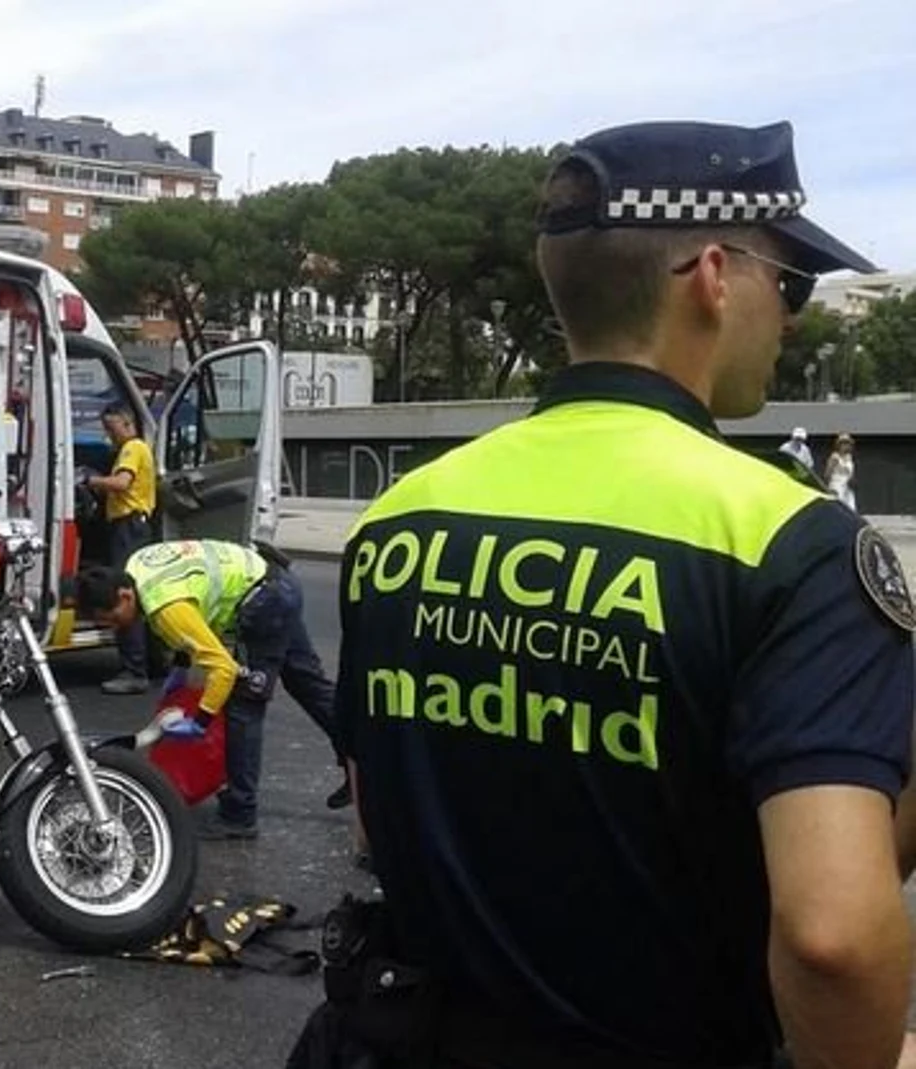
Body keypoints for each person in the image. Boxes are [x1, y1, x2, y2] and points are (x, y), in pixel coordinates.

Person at [290, 121, 916, 1069]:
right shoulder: (794, 544)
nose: (791, 316)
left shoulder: (401, 516)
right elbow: (832, 936)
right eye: (787, 283)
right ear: (713, 273)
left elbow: (382, 817)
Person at [78, 539, 348, 837]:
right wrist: (181, 667)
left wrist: (201, 721)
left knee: (244, 707)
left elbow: (223, 668)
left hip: (264, 601)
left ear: (125, 596)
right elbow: (195, 609)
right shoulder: (135, 566)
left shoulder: (164, 607)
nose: (116, 627)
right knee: (306, 683)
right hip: (275, 582)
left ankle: (240, 814)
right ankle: (363, 765)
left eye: (113, 619)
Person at [81, 403, 158, 695]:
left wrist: (90, 480)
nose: (109, 436)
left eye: (112, 429)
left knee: (124, 598)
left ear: (127, 424)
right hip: (131, 526)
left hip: (129, 528)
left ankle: (134, 670)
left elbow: (122, 483)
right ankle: (142, 663)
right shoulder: (136, 448)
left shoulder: (133, 448)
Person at [826, 432, 858, 510]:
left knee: (851, 509)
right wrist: (831, 489)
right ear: (839, 445)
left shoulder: (849, 457)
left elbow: (851, 473)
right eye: (843, 443)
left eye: (847, 443)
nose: (846, 445)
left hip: (847, 487)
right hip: (836, 486)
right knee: (838, 509)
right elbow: (827, 474)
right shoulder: (834, 457)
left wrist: (852, 481)